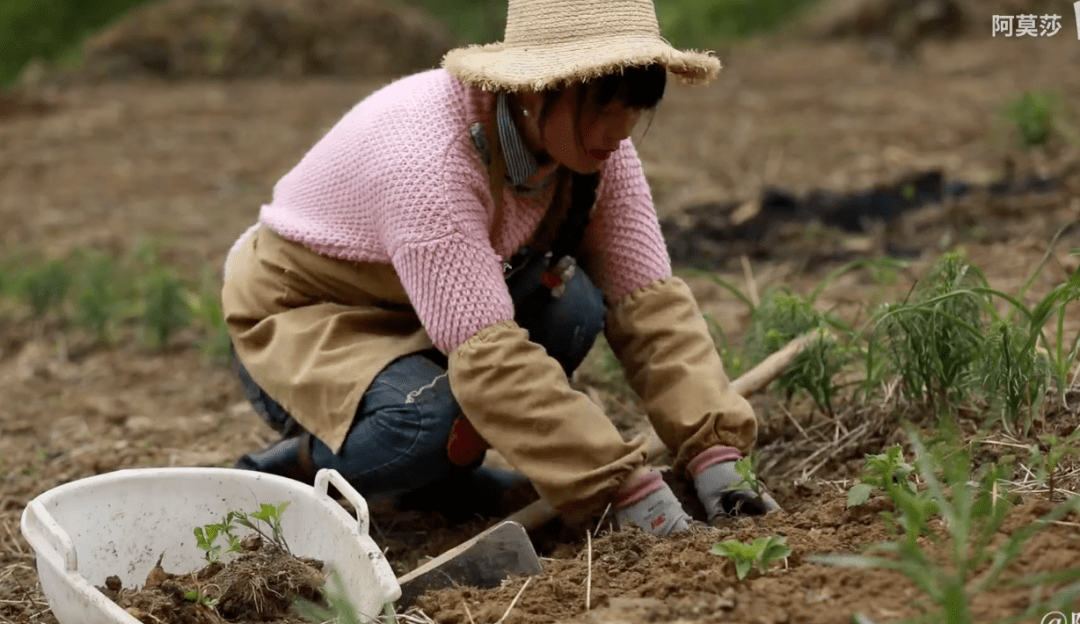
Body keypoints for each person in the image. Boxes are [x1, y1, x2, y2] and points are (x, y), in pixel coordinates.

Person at [221, 0, 779, 535]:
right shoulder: (432, 162)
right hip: (310, 314)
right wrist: (614, 483)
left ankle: (430, 484)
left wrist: (715, 447)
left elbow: (650, 307)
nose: (624, 128)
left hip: (429, 306)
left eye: (637, 104)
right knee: (427, 422)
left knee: (574, 305)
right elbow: (489, 362)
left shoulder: (594, 151)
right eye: (606, 103)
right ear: (537, 88)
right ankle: (277, 479)